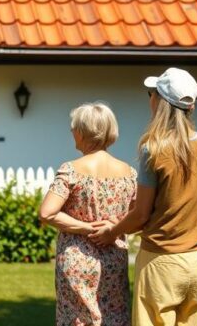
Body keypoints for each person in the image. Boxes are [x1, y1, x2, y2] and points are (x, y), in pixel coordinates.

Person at [90, 68, 197, 326]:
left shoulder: (154, 149)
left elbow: (141, 214)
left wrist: (111, 231)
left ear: (160, 102)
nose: (150, 98)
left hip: (161, 261)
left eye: (152, 94)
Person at [39, 102, 138, 326]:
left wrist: (86, 228)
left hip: (77, 259)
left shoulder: (71, 170)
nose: (71, 132)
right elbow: (139, 217)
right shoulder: (129, 173)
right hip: (114, 257)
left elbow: (46, 213)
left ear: (83, 132)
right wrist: (113, 228)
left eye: (73, 127)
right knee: (113, 317)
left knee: (78, 319)